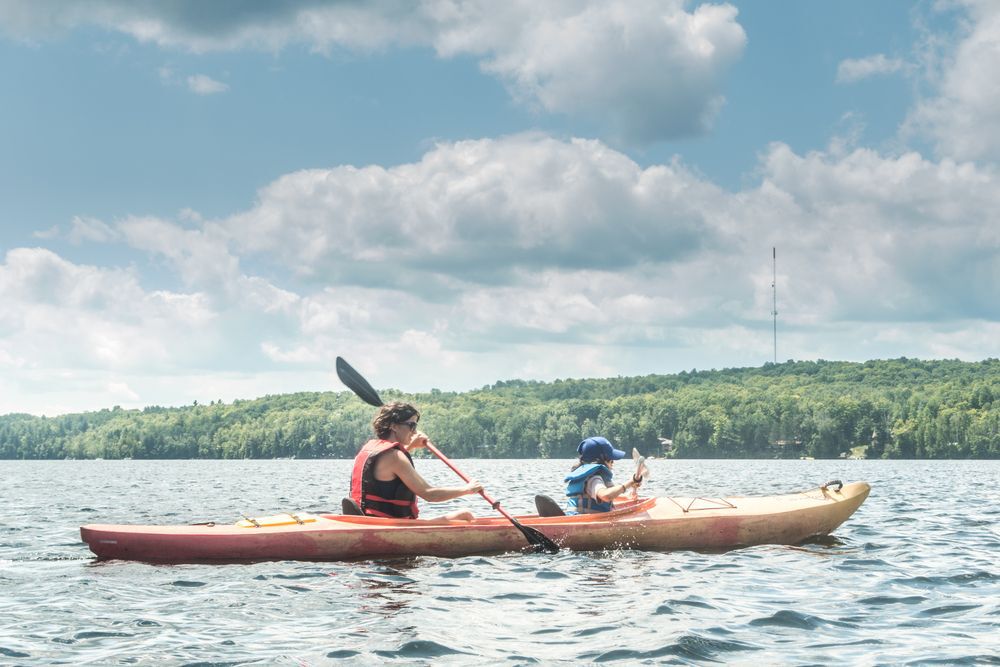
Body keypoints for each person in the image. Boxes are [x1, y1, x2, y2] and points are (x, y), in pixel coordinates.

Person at [350, 401, 483, 521]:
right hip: (391, 527)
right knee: (467, 515)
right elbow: (430, 494)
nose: (414, 431)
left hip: (368, 520)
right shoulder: (395, 457)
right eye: (411, 425)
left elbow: (389, 466)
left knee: (464, 515)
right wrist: (468, 489)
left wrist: (410, 446)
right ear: (394, 426)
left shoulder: (369, 449)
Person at [564, 436, 642, 514]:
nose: (613, 463)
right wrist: (631, 482)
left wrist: (626, 497)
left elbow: (596, 497)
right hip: (584, 523)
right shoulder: (594, 479)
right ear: (600, 460)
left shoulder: (589, 476)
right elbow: (605, 496)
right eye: (611, 460)